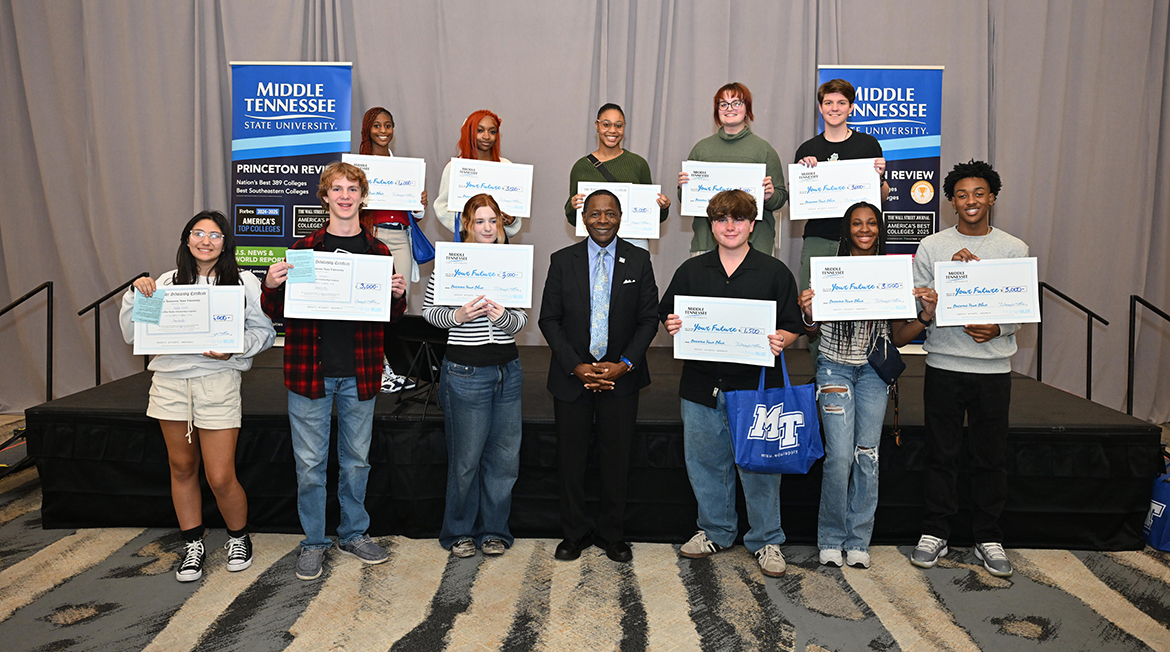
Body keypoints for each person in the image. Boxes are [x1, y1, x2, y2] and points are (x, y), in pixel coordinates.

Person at [261, 161, 407, 581]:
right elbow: (279, 313)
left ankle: (353, 533)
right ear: (324, 197)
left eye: (352, 189)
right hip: (310, 371)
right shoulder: (304, 249)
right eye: (337, 189)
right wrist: (271, 287)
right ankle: (313, 541)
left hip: (360, 371)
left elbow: (389, 318)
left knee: (357, 461)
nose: (345, 196)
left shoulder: (379, 252)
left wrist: (397, 296)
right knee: (309, 465)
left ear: (363, 197)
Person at [119, 210, 276, 582]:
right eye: (198, 233)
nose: (205, 240)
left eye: (215, 235)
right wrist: (134, 297)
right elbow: (132, 334)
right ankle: (193, 544)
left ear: (226, 243)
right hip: (170, 384)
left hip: (218, 382)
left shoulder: (243, 283)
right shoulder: (164, 283)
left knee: (220, 476)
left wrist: (234, 347)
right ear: (187, 239)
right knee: (181, 468)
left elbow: (265, 332)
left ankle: (238, 537)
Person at [659, 189, 802, 577]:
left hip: (756, 389)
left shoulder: (775, 272)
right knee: (705, 463)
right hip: (701, 386)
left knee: (759, 468)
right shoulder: (692, 270)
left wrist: (783, 339)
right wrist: (672, 324)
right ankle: (715, 531)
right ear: (712, 225)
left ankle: (767, 539)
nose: (730, 227)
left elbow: (793, 326)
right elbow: (668, 314)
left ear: (752, 225)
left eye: (738, 219)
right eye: (722, 220)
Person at [797, 202, 937, 569]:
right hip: (834, 371)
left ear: (880, 228)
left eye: (871, 223)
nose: (864, 229)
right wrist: (809, 314)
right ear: (847, 230)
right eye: (857, 223)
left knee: (867, 456)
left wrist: (924, 316)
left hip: (874, 374)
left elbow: (899, 336)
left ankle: (859, 539)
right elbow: (811, 330)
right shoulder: (828, 272)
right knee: (840, 456)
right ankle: (830, 537)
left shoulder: (892, 274)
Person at [907, 159, 1028, 578]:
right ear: (951, 202)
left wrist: (999, 326)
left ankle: (987, 535)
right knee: (941, 452)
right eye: (961, 195)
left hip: (993, 368)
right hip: (943, 362)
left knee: (989, 456)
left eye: (979, 193)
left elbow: (1019, 306)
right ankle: (935, 530)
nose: (971, 201)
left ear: (992, 197)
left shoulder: (1014, 248)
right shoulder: (932, 247)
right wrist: (947, 284)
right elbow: (921, 305)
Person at [539, 189, 659, 563]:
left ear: (621, 217)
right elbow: (549, 319)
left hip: (621, 378)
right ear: (583, 217)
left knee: (616, 460)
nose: (602, 219)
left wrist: (623, 365)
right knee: (570, 461)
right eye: (595, 213)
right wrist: (576, 365)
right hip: (572, 377)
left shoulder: (639, 260)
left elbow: (648, 320)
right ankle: (573, 534)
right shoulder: (562, 261)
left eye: (610, 213)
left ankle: (612, 534)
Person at [423, 193, 528, 558]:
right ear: (467, 224)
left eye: (493, 221)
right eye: (480, 221)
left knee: (504, 460)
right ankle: (458, 532)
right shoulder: (450, 264)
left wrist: (501, 317)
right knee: (466, 460)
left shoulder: (513, 264)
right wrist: (460, 315)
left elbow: (521, 321)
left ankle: (495, 530)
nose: (487, 228)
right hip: (465, 372)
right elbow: (429, 313)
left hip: (507, 371)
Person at [357, 106, 429, 394]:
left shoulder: (400, 166)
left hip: (401, 237)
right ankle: (376, 367)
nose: (384, 131)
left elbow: (415, 215)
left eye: (388, 125)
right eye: (377, 126)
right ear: (368, 129)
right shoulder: (359, 166)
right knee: (372, 302)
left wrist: (418, 201)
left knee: (398, 301)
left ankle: (395, 366)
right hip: (373, 235)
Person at [794, 79, 889, 294]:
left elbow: (882, 197)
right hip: (819, 238)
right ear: (820, 108)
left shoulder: (868, 145)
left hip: (861, 238)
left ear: (851, 107)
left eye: (841, 103)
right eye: (828, 103)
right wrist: (803, 176)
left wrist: (880, 179)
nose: (834, 108)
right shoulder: (807, 149)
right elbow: (796, 202)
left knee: (860, 297)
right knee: (811, 300)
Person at [678, 83, 787, 256]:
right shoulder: (701, 149)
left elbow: (780, 197)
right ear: (717, 110)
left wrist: (770, 196)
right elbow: (685, 199)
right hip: (707, 243)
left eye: (737, 103)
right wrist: (685, 189)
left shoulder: (764, 150)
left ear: (747, 108)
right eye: (723, 104)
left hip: (756, 245)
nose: (730, 109)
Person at [564, 103, 670, 250]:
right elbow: (573, 219)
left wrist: (662, 207)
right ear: (597, 125)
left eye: (618, 125)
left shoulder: (638, 164)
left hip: (634, 242)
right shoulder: (581, 167)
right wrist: (573, 206)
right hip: (596, 241)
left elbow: (652, 216)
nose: (612, 131)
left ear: (624, 127)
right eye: (606, 124)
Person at [433, 110, 521, 240]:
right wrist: (469, 223)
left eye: (492, 131)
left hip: (499, 240)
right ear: (469, 133)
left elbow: (516, 207)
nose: (486, 136)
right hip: (466, 239)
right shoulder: (455, 167)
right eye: (480, 131)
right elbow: (441, 207)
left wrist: (512, 221)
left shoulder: (506, 166)